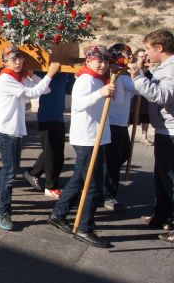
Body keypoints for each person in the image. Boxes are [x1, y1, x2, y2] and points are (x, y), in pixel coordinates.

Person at [0, 45, 59, 231]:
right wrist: (49, 74)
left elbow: (45, 91)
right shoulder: (6, 78)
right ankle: (5, 213)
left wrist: (32, 76)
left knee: (8, 170)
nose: (19, 62)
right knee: (10, 173)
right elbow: (32, 93)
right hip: (6, 130)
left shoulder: (18, 77)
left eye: (21, 59)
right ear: (5, 62)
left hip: (15, 129)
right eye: (14, 59)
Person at [48, 45, 116, 248]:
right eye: (99, 61)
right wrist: (101, 93)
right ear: (89, 61)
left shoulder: (101, 79)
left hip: (97, 136)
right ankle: (85, 228)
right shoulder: (85, 80)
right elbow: (78, 104)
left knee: (79, 179)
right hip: (87, 138)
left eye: (105, 61)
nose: (103, 64)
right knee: (93, 185)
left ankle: (58, 214)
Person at [127, 29, 174, 243]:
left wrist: (138, 77)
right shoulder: (163, 67)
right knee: (162, 178)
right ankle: (162, 216)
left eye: (147, 48)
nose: (146, 52)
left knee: (170, 180)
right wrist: (143, 74)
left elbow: (162, 96)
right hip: (164, 131)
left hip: (171, 133)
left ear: (159, 48)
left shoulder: (172, 69)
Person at [23, 71, 75, 199]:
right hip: (47, 116)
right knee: (53, 154)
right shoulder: (46, 71)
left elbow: (70, 89)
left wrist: (73, 74)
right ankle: (51, 187)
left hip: (58, 116)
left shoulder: (65, 74)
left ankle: (33, 173)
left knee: (54, 152)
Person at [102, 44, 137, 211]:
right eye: (126, 54)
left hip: (120, 123)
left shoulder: (124, 75)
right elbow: (138, 89)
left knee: (122, 155)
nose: (129, 56)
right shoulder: (121, 76)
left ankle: (102, 185)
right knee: (113, 161)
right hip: (113, 123)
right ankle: (107, 195)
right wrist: (139, 72)